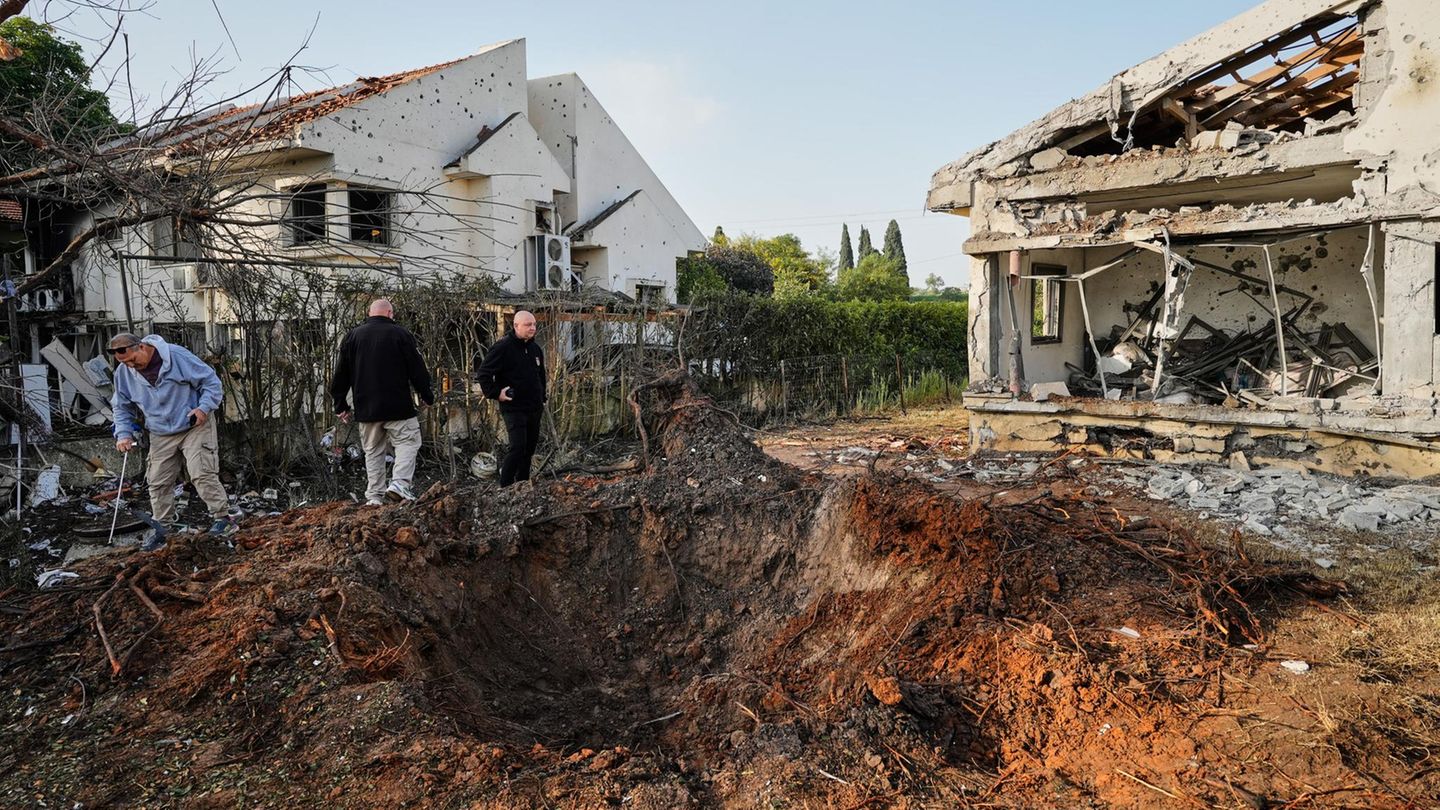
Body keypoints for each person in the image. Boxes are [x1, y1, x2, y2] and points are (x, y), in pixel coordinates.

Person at [109, 332, 233, 547]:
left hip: (193, 423)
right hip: (160, 431)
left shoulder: (176, 357)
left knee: (200, 472)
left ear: (141, 347)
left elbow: (211, 382)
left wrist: (203, 408)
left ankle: (224, 518)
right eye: (124, 363)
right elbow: (121, 406)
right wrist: (124, 434)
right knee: (157, 481)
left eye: (132, 360)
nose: (130, 366)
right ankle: (163, 528)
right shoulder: (124, 373)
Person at [331, 298, 435, 505]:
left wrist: (340, 404)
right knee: (408, 442)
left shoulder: (353, 337)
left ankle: (374, 496)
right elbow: (417, 368)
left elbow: (341, 373)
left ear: (370, 314)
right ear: (389, 314)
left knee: (373, 451)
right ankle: (400, 484)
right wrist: (426, 394)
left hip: (366, 408)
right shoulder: (401, 334)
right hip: (398, 406)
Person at [476, 310, 546, 487]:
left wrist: (542, 396)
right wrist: (496, 393)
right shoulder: (503, 348)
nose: (533, 328)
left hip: (534, 407)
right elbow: (483, 373)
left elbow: (541, 376)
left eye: (534, 324)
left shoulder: (535, 349)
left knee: (529, 449)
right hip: (514, 408)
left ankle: (522, 484)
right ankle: (505, 487)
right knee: (517, 448)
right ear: (516, 326)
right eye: (528, 325)